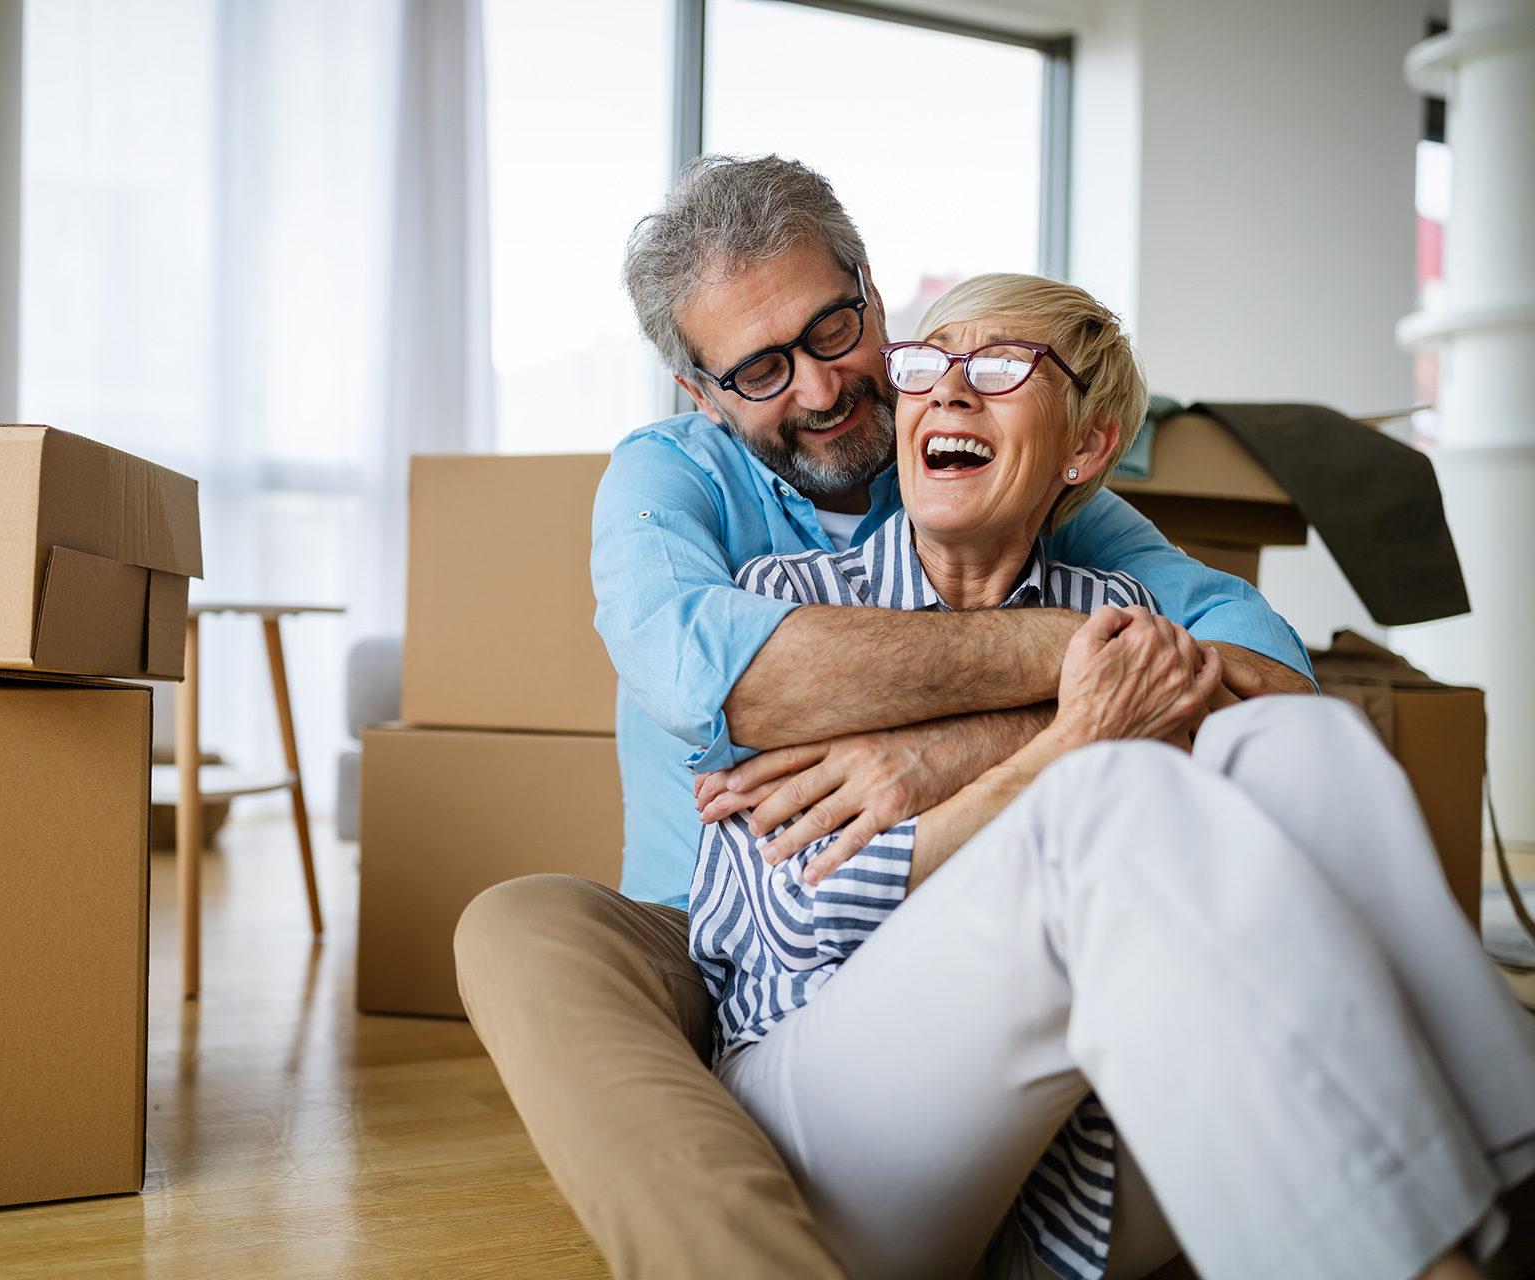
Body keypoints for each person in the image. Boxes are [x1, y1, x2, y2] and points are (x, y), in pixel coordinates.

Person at [456, 156, 1305, 1278]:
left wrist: (963, 742)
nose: (817, 388)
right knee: (521, 927)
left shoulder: (976, 447)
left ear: (871, 289)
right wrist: (1074, 655)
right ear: (701, 393)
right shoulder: (668, 479)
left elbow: (1269, 679)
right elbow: (713, 680)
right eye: (760, 368)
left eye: (831, 328)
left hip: (967, 910)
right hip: (707, 928)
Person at [683, 271, 1535, 1280]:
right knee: (1111, 792)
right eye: (927, 362)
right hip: (831, 1123)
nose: (950, 390)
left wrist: (991, 750)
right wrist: (1064, 744)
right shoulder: (788, 605)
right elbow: (795, 911)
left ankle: (1511, 1188)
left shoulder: (1117, 609)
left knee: (1303, 747)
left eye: (999, 367)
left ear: (1088, 445)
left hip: (1074, 1157)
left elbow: (1264, 732)